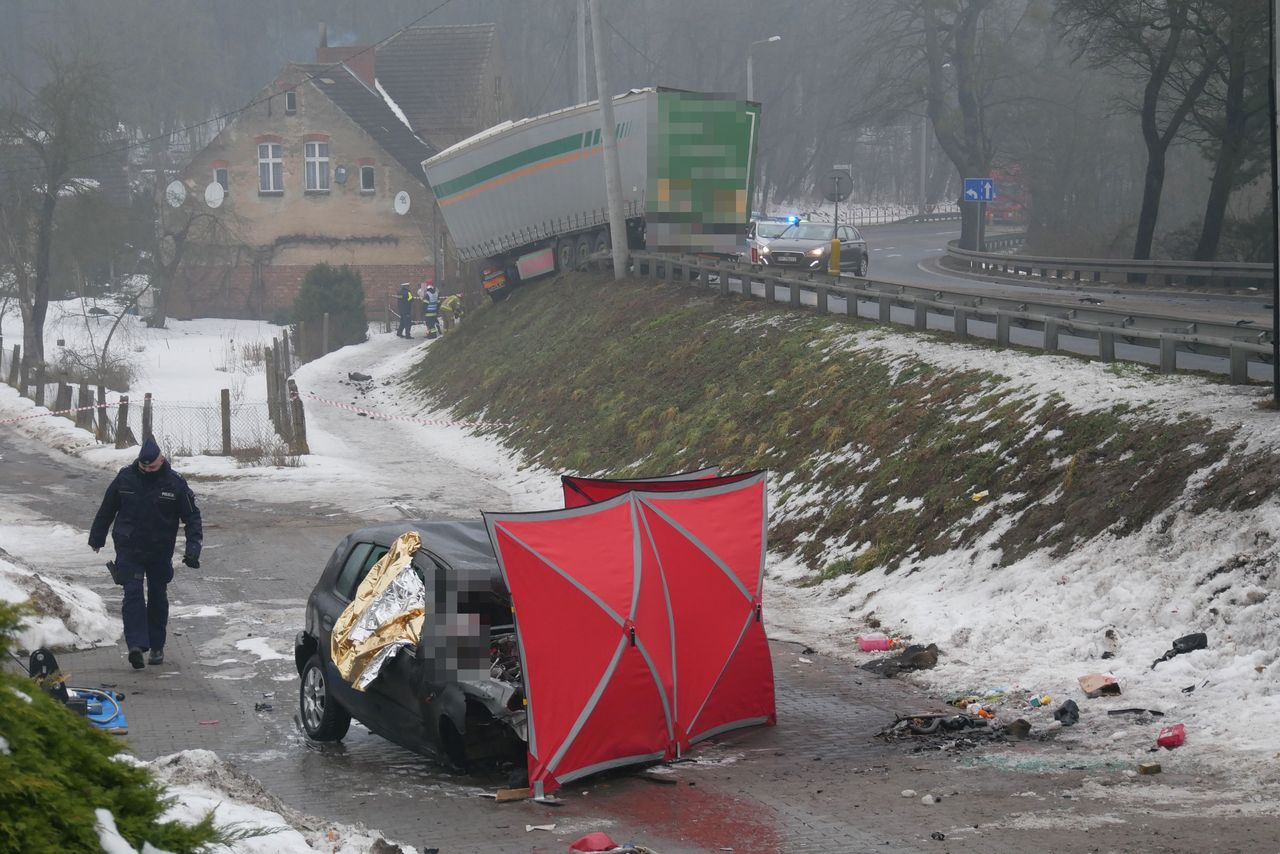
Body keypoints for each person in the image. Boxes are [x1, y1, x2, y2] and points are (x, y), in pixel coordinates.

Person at [89, 438, 202, 669]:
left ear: (162, 459)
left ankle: (157, 645)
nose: (148, 470)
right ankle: (136, 646)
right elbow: (107, 509)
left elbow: (192, 517)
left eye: (152, 467)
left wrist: (193, 548)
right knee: (132, 593)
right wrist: (97, 538)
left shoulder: (175, 484)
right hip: (129, 546)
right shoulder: (125, 478)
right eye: (144, 467)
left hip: (160, 549)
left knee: (158, 595)